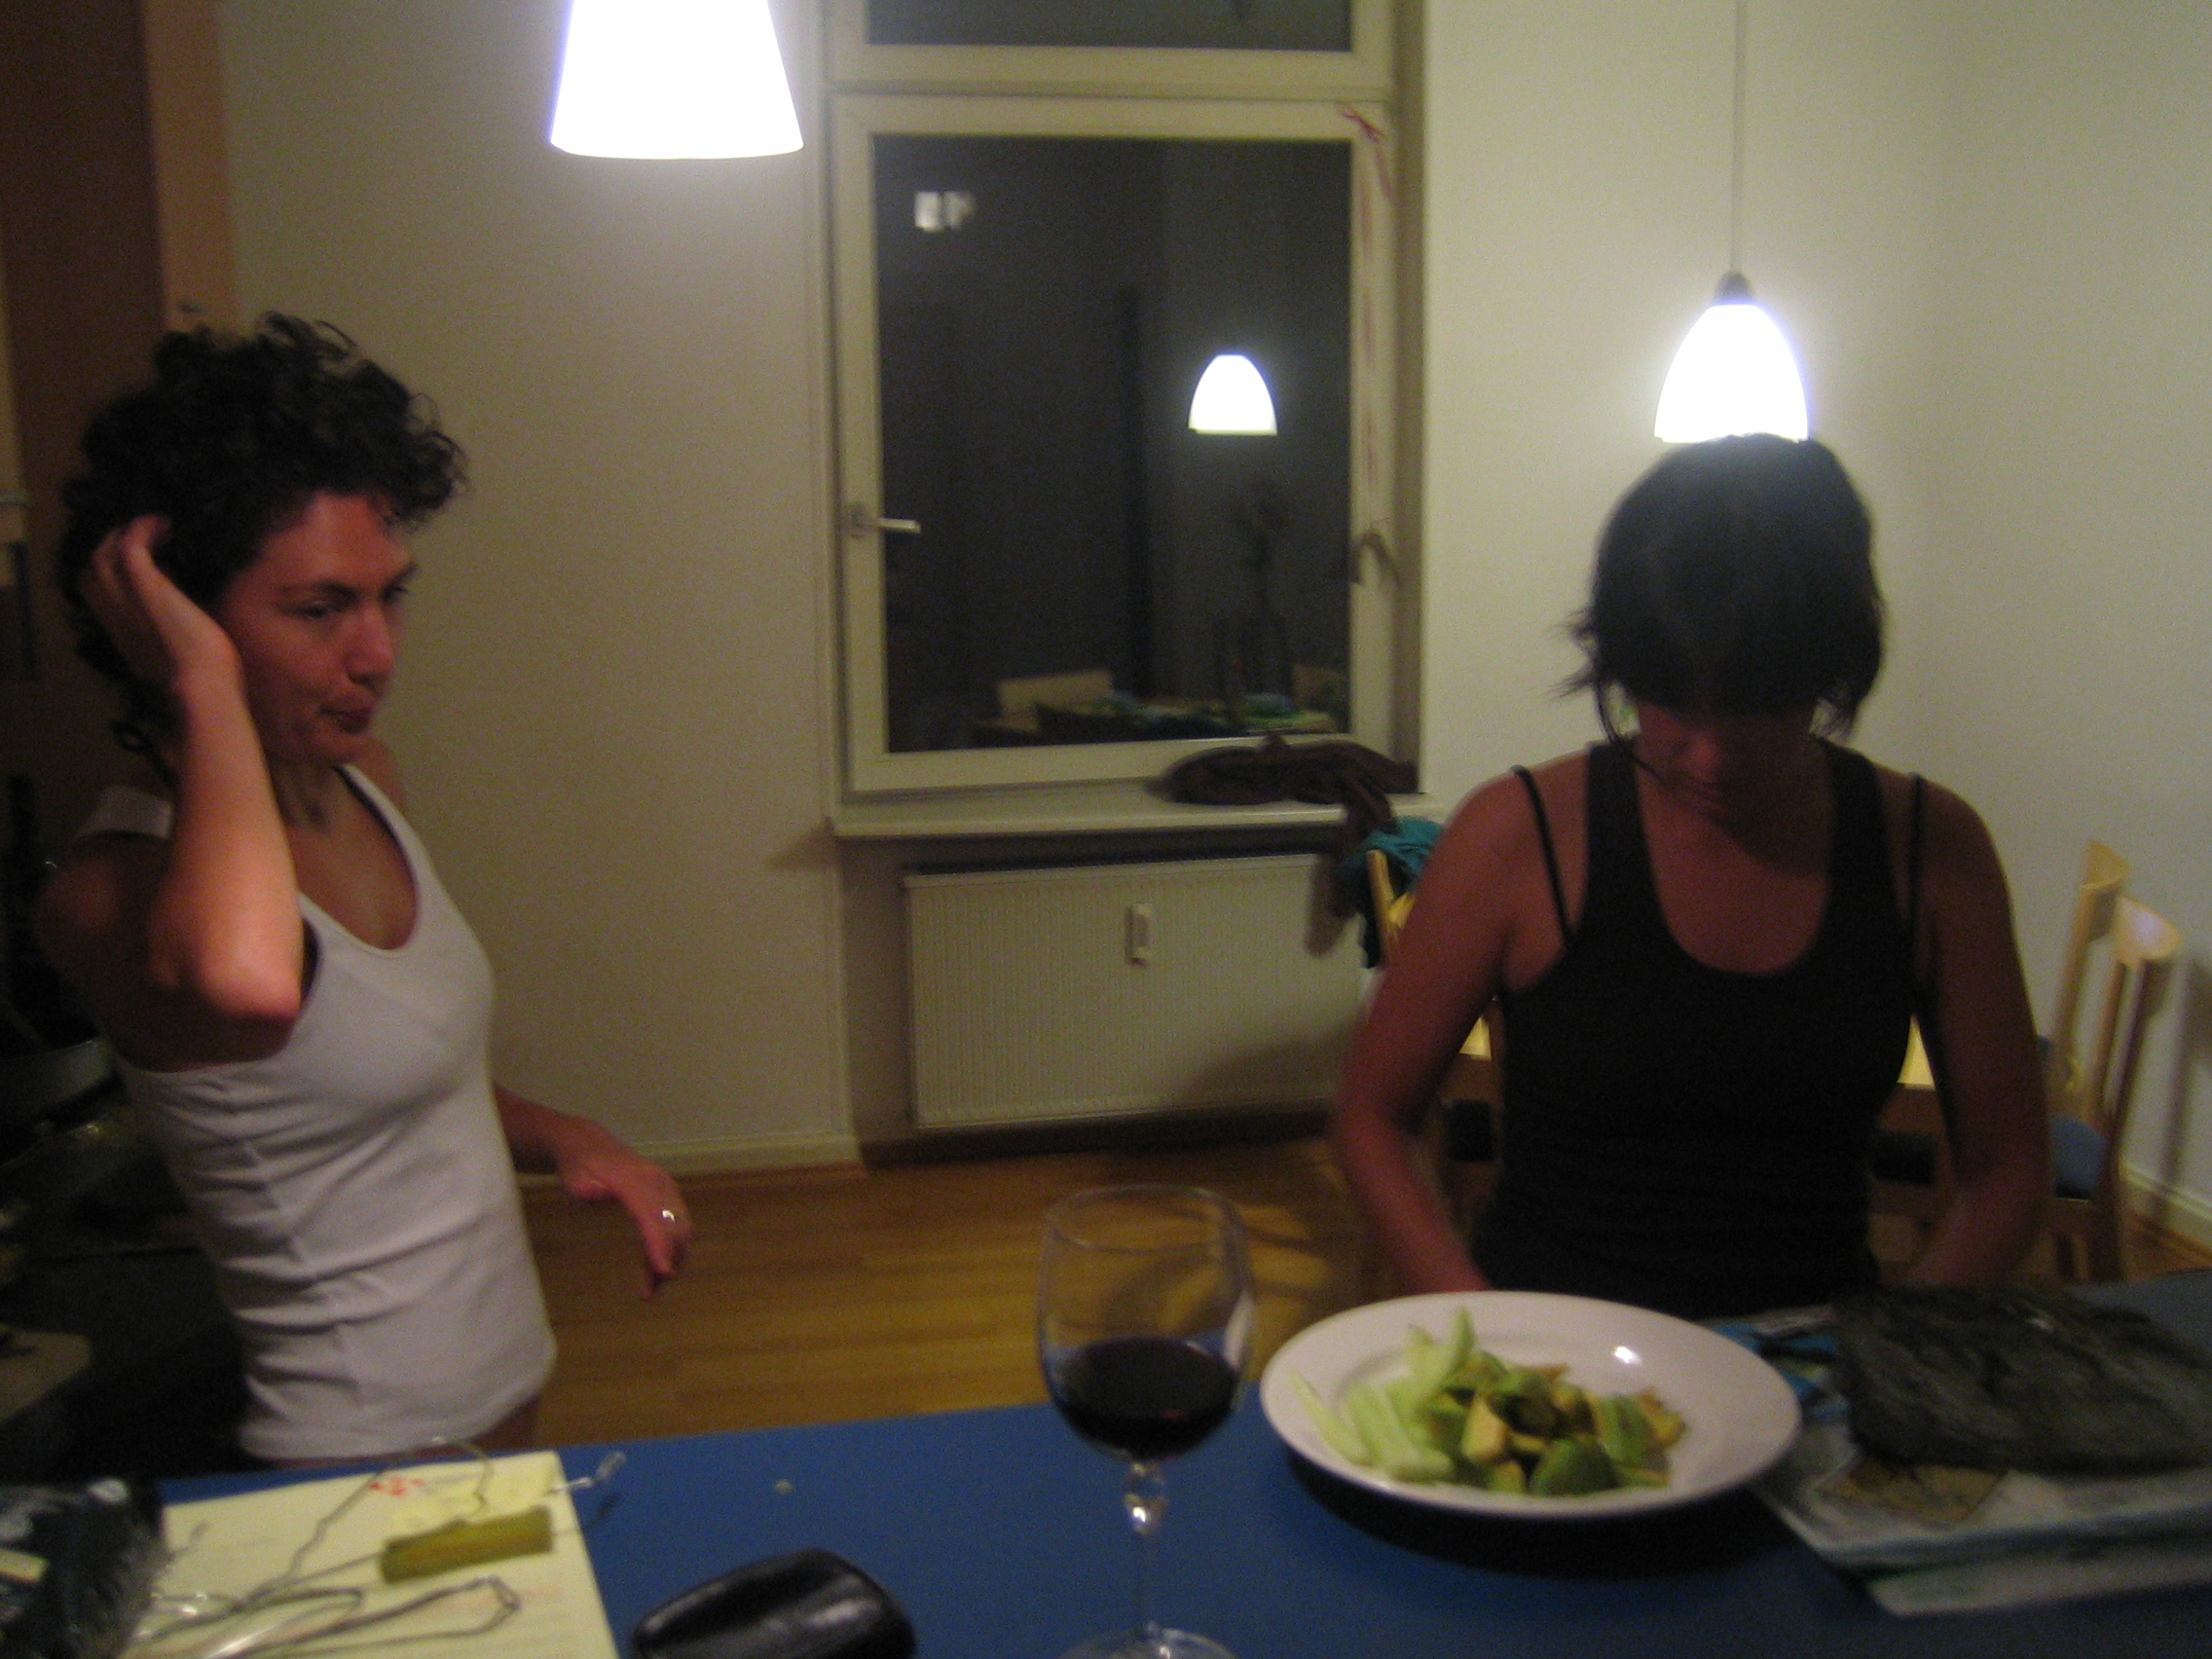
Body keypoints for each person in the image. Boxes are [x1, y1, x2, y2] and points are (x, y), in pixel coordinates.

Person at [36, 314, 693, 1463]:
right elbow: (252, 994)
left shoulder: (362, 784)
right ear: (174, 620)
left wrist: (565, 1134)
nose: (378, 651)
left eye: (390, 596)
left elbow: (388, 1078)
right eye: (320, 608)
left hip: (502, 1399)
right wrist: (199, 687)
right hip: (349, 1454)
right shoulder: (112, 889)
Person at [1332, 434, 2049, 1321]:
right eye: (1670, 702)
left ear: (1829, 673)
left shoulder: (1932, 849)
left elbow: (2008, 1170)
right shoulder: (1516, 836)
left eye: (1759, 709)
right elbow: (1373, 1117)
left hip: (1814, 1355)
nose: (1708, 758)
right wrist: (1483, 1325)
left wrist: (1897, 1348)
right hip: (1556, 1349)